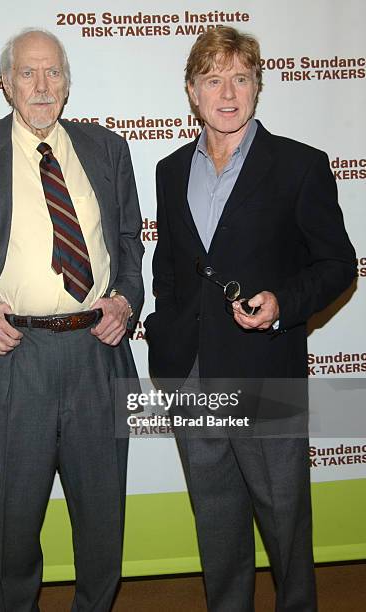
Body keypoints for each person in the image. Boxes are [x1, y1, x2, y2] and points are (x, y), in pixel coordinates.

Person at [0, 28, 143, 612]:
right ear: (5, 83)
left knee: (102, 518)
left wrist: (124, 298)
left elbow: (129, 243)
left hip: (98, 352)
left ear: (68, 85)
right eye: (28, 73)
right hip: (11, 355)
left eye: (53, 74)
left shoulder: (107, 150)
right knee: (14, 523)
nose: (42, 86)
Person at [144, 26, 356, 612]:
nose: (228, 93)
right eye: (213, 79)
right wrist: (166, 330)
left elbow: (339, 263)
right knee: (216, 525)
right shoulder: (169, 169)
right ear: (192, 91)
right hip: (191, 376)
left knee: (286, 524)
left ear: (258, 87)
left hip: (266, 374)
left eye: (241, 78)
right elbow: (170, 263)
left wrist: (284, 304)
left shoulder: (299, 165)